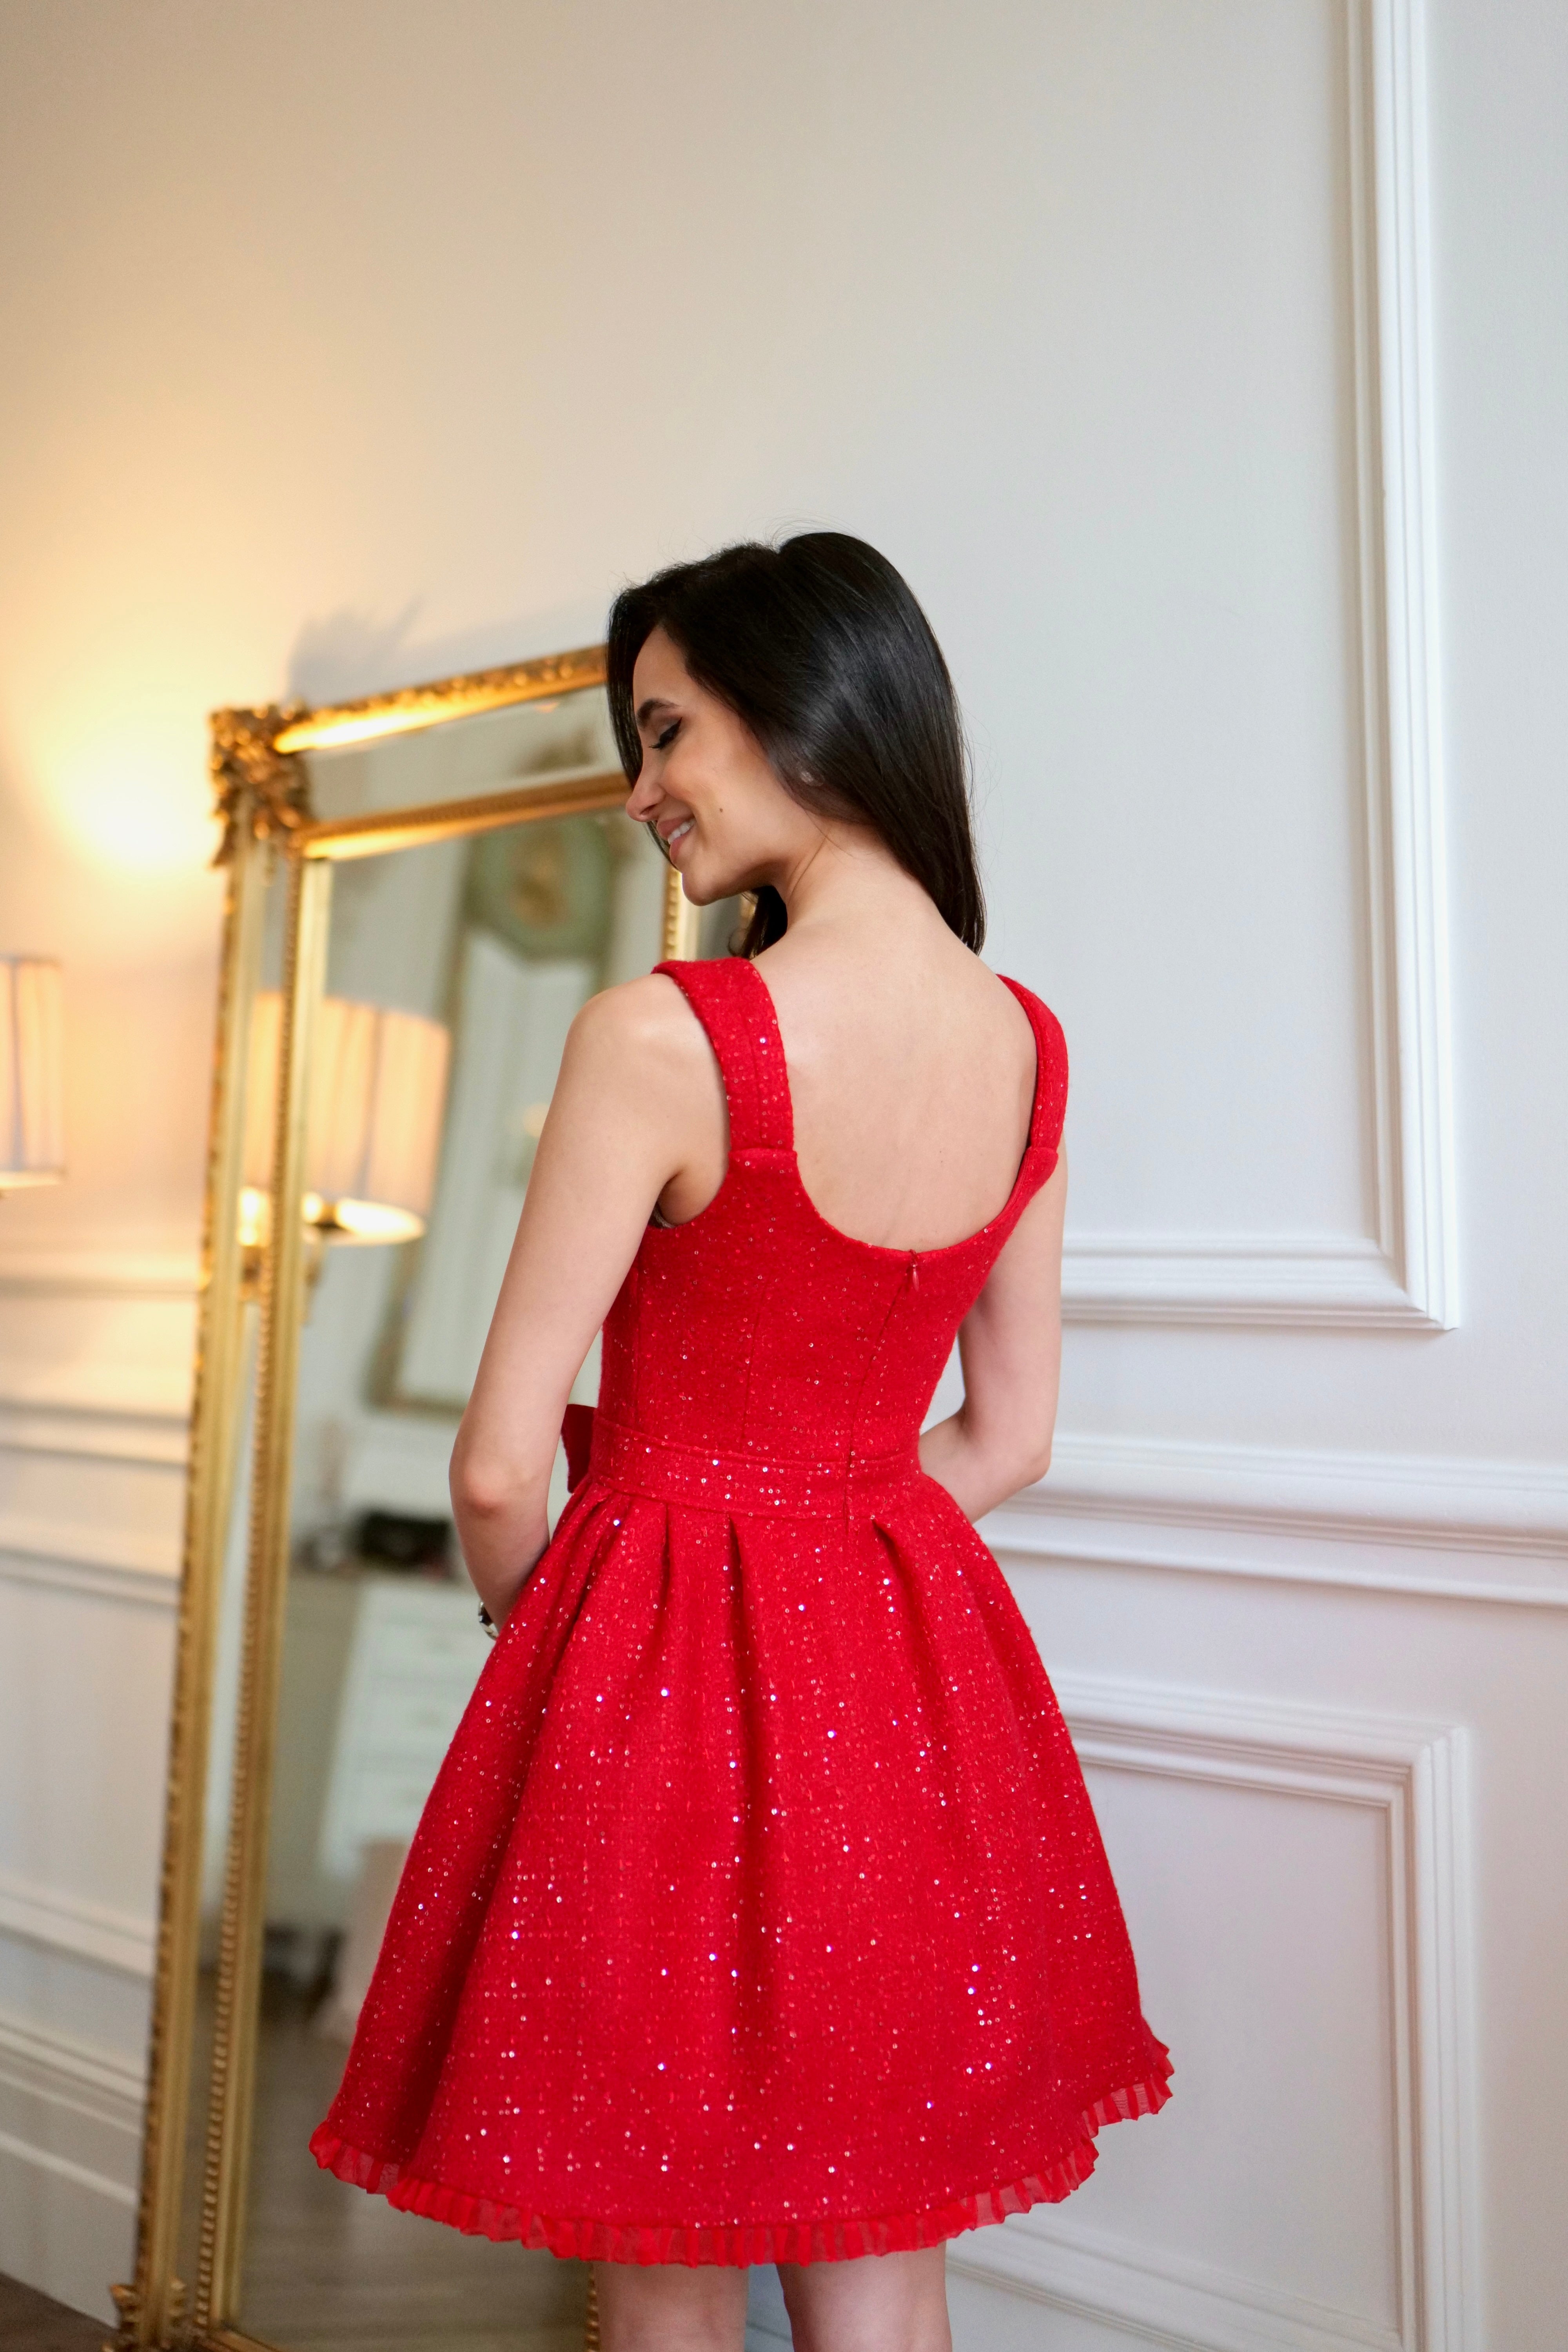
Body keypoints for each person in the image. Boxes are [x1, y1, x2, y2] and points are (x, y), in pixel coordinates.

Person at [311, 535, 1171, 2352]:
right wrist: (829, 1552)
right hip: (911, 1695)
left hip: (653, 1698)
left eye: (664, 732)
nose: (640, 792)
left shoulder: (664, 1037)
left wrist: (564, 1631)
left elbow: (495, 1467)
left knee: (666, 2251)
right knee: (885, 2254)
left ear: (802, 709)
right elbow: (1012, 1435)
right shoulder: (1026, 1045)